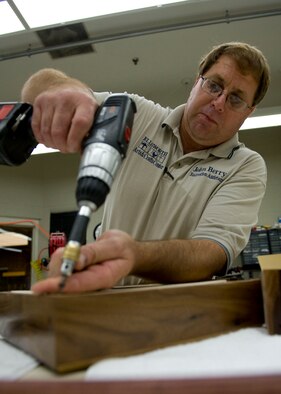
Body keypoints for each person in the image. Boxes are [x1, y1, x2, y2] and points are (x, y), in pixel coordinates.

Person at [21, 41, 270, 293]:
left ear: (248, 112)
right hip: (102, 296)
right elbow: (36, 88)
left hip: (175, 312)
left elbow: (212, 252)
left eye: (236, 99)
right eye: (214, 85)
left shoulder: (245, 166)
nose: (219, 102)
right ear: (197, 82)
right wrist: (71, 91)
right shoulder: (136, 115)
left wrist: (133, 256)